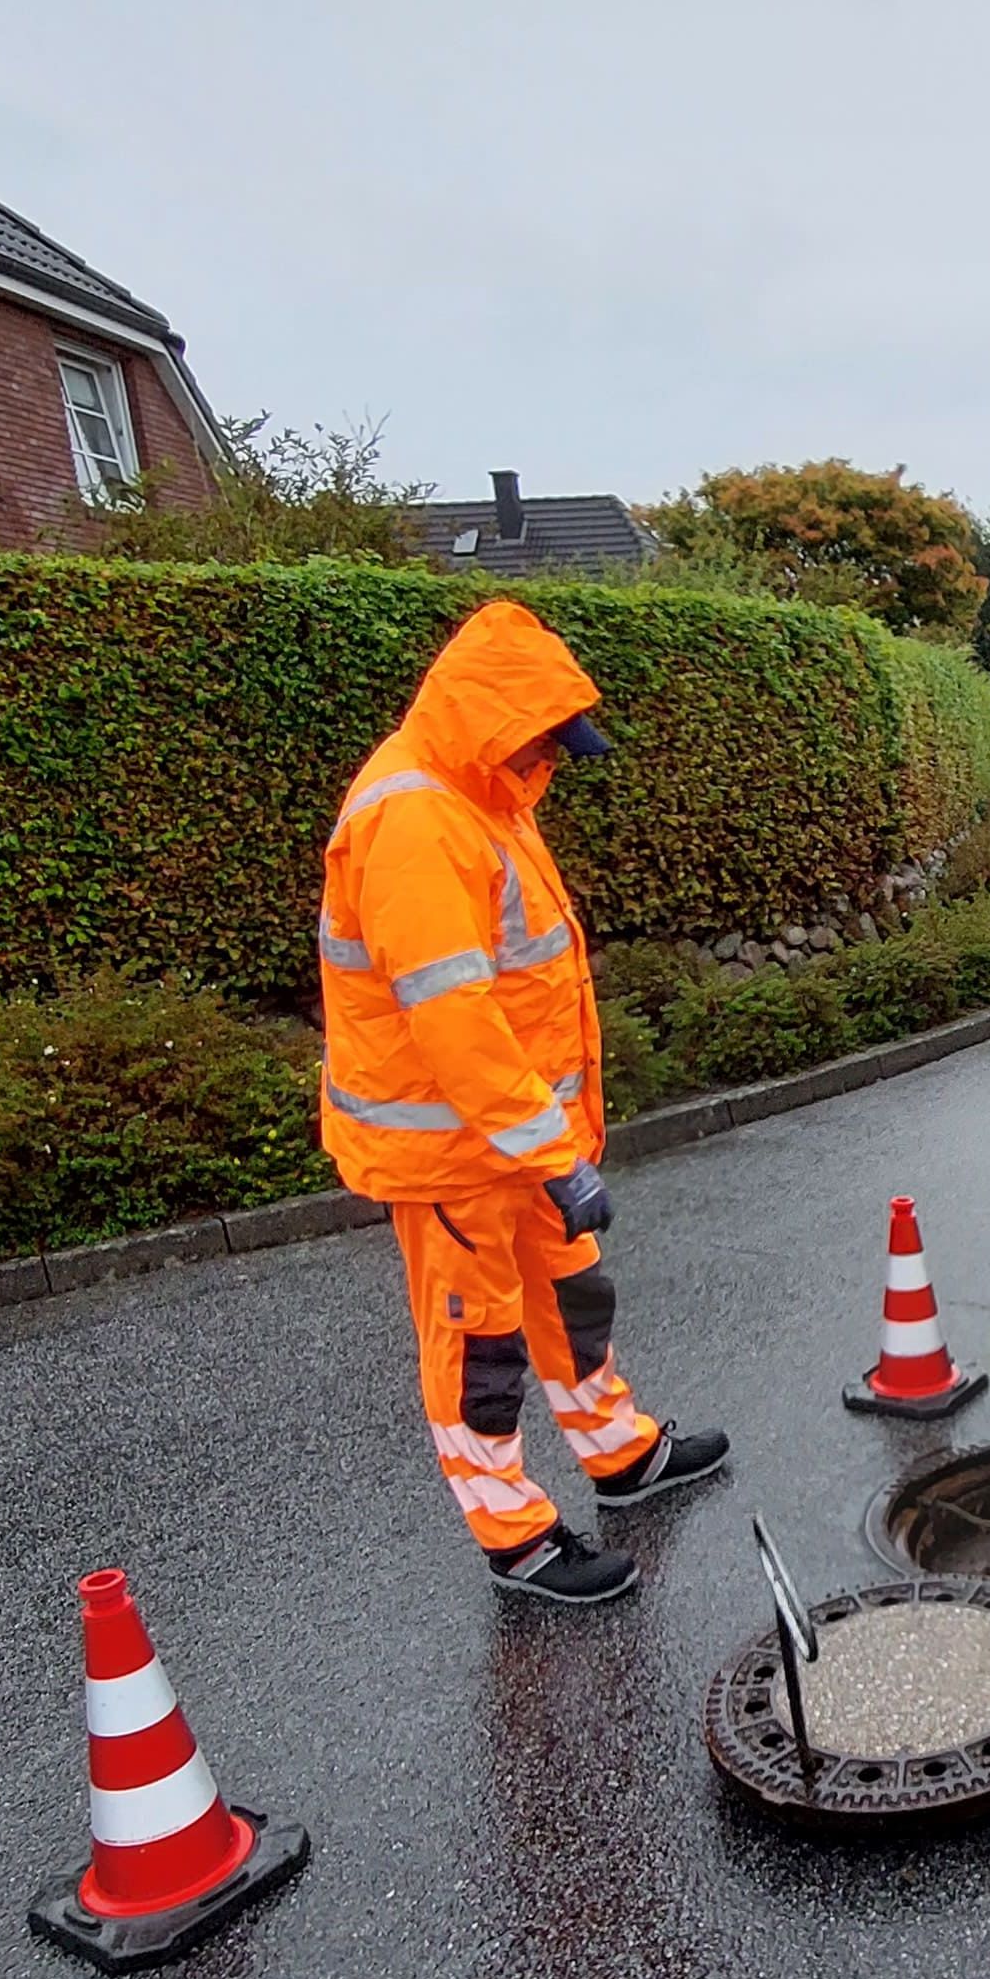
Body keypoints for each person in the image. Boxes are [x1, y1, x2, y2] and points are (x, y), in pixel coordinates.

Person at [316, 600, 727, 1606]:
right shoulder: (416, 818)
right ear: (497, 717)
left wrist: (551, 1145)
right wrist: (552, 1150)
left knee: (574, 1296)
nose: (553, 754)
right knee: (479, 1346)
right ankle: (516, 1536)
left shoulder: (486, 796)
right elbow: (452, 1018)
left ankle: (618, 1451)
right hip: (455, 1153)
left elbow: (522, 984)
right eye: (544, 732)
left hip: (515, 1140)